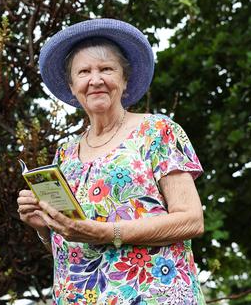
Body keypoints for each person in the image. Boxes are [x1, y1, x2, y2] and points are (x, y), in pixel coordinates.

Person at [17, 19, 206, 304]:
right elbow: (76, 244)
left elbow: (191, 220)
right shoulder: (64, 155)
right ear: (72, 85)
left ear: (125, 79)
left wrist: (107, 232)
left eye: (106, 69)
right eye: (84, 72)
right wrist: (43, 228)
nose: (95, 80)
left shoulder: (157, 132)